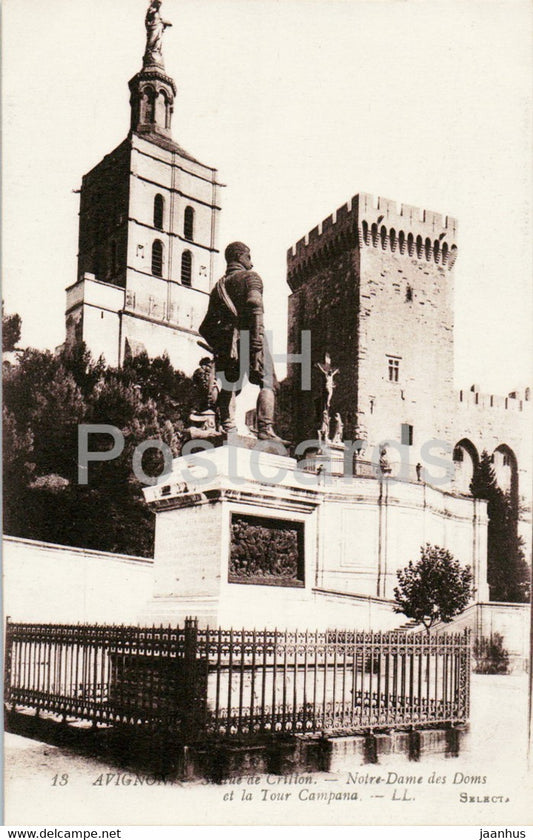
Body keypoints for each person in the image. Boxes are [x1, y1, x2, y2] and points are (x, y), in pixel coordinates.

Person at [199, 241, 284, 442]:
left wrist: (220, 346)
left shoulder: (218, 288)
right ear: (239, 256)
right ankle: (265, 429)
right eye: (248, 257)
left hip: (227, 344)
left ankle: (229, 428)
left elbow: (205, 327)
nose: (251, 263)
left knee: (229, 384)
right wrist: (256, 337)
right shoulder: (251, 278)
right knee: (268, 382)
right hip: (251, 336)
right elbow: (255, 305)